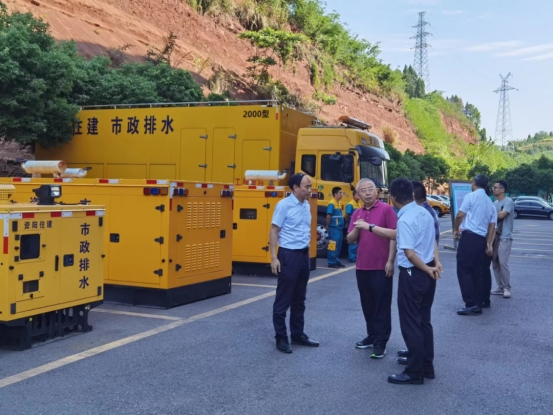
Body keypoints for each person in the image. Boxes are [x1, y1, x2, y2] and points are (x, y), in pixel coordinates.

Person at [370, 178, 442, 385]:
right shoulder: (426, 212)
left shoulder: (405, 219)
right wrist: (435, 263)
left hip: (414, 273)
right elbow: (433, 242)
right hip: (428, 272)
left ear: (392, 199)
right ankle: (426, 366)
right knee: (423, 321)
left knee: (410, 323)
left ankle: (414, 371)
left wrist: (428, 267)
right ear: (412, 194)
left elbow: (409, 254)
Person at [347, 179, 397, 359]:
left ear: (376, 192)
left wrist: (390, 261)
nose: (367, 193)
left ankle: (382, 341)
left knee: (381, 305)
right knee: (367, 304)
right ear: (358, 195)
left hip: (381, 266)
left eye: (370, 189)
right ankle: (372, 334)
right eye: (363, 191)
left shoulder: (386, 210)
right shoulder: (357, 213)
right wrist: (357, 228)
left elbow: (394, 236)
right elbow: (350, 239)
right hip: (362, 266)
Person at [270, 173, 319, 354]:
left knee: (299, 299)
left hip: (303, 255)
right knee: (284, 299)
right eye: (306, 186)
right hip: (288, 256)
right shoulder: (283, 205)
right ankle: (281, 337)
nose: (309, 190)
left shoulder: (306, 205)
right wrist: (274, 258)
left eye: (310, 186)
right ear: (295, 187)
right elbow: (274, 231)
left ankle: (297, 334)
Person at [454, 174, 497, 316]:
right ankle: (480, 302)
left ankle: (470, 303)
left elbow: (460, 215)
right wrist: (489, 244)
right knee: (478, 272)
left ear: (474, 183)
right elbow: (492, 225)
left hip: (469, 237)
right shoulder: (490, 202)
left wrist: (455, 229)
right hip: (481, 240)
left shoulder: (470, 197)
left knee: (464, 270)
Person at [491, 180, 514, 299]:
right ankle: (499, 287)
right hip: (494, 236)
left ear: (502, 189)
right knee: (494, 263)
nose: (493, 189)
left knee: (502, 263)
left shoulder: (508, 201)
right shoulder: (494, 203)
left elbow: (501, 215)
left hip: (505, 236)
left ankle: (506, 288)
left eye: (496, 187)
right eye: (493, 187)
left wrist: (491, 215)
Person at [326, 187, 345, 268]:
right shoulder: (332, 203)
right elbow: (328, 216)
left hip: (339, 229)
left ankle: (336, 260)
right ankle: (331, 262)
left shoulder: (338, 203)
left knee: (338, 246)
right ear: (335, 194)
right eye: (340, 193)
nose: (341, 194)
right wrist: (327, 226)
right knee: (332, 245)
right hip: (334, 228)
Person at [345, 190, 362, 262]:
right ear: (353, 196)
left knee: (356, 242)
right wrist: (347, 223)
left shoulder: (359, 204)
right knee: (352, 242)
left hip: (358, 225)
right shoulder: (350, 204)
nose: (358, 196)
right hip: (352, 225)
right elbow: (347, 215)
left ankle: (355, 256)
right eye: (357, 195)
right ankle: (352, 257)